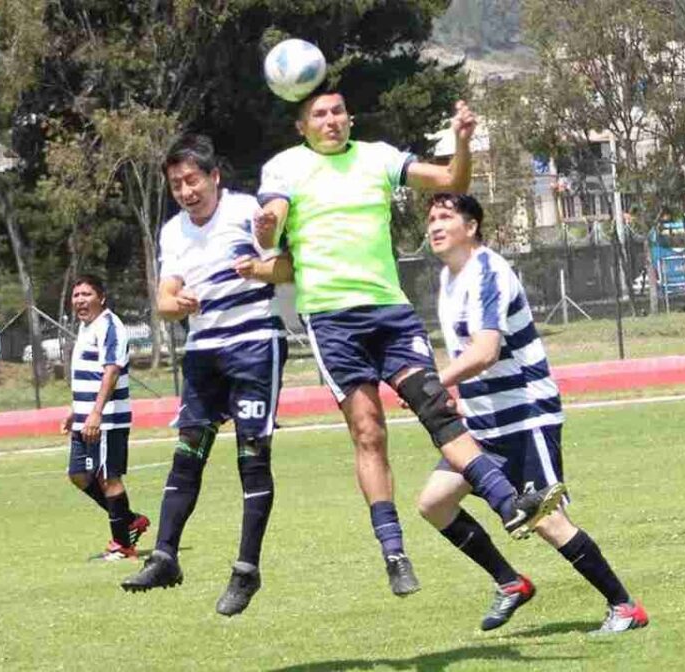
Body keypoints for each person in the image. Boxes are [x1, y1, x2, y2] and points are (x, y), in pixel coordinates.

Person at [253, 88, 565, 597]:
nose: (331, 120)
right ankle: (393, 551)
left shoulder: (377, 157)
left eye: (337, 111)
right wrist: (266, 229)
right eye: (319, 115)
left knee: (435, 406)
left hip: (390, 313)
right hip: (332, 322)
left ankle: (510, 505)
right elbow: (270, 236)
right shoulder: (284, 168)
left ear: (349, 117)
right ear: (302, 126)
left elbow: (450, 180)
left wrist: (461, 141)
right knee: (369, 431)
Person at [420, 193, 648, 634]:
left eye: (445, 217)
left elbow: (485, 352)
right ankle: (511, 582)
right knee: (434, 502)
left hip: (525, 416)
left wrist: (436, 383)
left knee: (546, 519)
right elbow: (466, 352)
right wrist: (459, 399)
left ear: (471, 227)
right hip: (484, 423)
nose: (434, 225)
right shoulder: (449, 279)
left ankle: (623, 606)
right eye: (430, 218)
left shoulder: (489, 272)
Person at [121, 134, 291, 616]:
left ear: (214, 176)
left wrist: (260, 269)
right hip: (203, 352)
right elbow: (163, 301)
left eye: (192, 179)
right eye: (176, 184)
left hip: (255, 345)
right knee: (187, 454)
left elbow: (288, 265)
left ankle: (246, 571)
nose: (185, 190)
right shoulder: (173, 232)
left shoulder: (248, 211)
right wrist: (176, 304)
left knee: (252, 459)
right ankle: (165, 557)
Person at [61, 275, 150, 561]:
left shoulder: (110, 326)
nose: (79, 300)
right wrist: (77, 411)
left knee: (109, 478)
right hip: (86, 417)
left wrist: (96, 413)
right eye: (76, 295)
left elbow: (111, 372)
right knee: (78, 474)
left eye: (86, 294)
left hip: (107, 419)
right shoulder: (87, 328)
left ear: (101, 298)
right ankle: (129, 520)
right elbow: (92, 375)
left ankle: (123, 545)